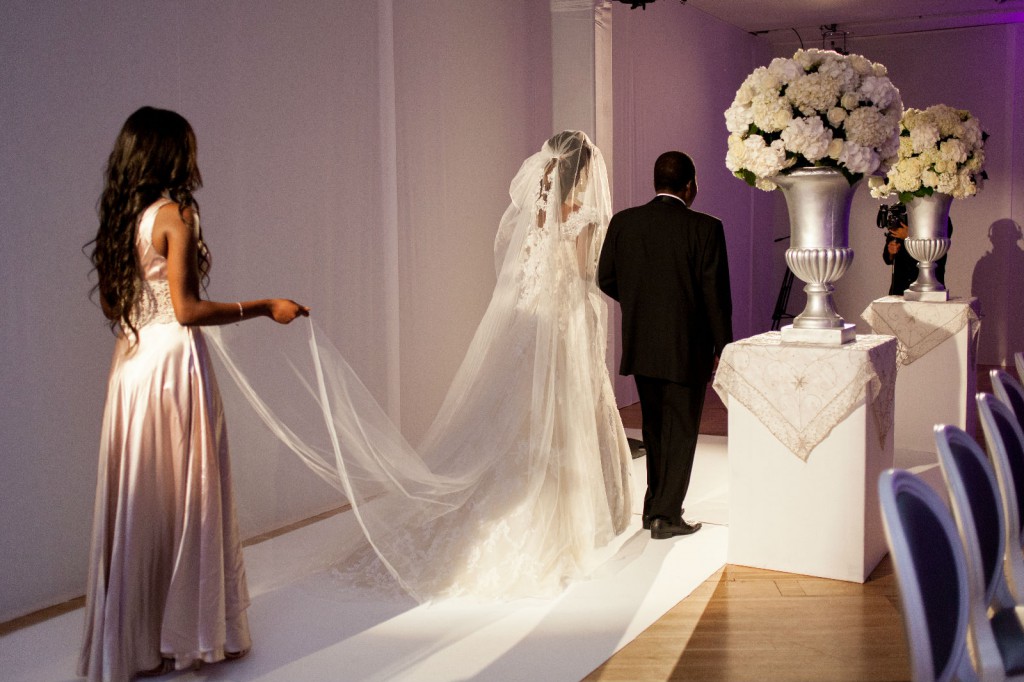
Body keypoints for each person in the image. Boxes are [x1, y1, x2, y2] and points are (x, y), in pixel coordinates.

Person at [210, 130, 633, 601]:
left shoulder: (535, 211)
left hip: (527, 323)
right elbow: (584, 273)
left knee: (517, 417)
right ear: (582, 172)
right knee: (562, 410)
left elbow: (521, 267)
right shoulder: (579, 215)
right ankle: (567, 515)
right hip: (562, 323)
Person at [80, 106, 309, 682]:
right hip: (173, 366)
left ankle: (136, 640)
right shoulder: (175, 215)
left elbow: (115, 303)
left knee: (141, 502)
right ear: (171, 155)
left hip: (132, 366)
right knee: (185, 497)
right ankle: (188, 633)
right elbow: (186, 310)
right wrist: (264, 306)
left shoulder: (121, 219)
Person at [597, 151, 732, 540]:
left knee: (654, 428)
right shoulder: (706, 228)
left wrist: (640, 303)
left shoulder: (624, 222)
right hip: (688, 346)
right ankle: (666, 515)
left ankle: (653, 507)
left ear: (656, 182)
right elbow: (715, 295)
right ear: (690, 186)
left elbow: (605, 277)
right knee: (681, 431)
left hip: (642, 343)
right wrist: (724, 346)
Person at [879, 202, 952, 295]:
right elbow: (887, 259)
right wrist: (891, 251)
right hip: (900, 288)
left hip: (929, 286)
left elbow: (936, 247)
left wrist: (909, 235)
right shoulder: (901, 218)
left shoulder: (939, 217)